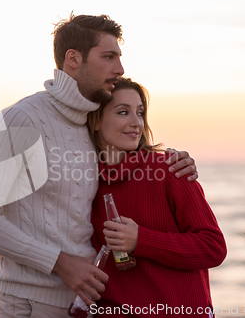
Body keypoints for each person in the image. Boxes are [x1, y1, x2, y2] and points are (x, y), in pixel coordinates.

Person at [0, 14, 198, 318]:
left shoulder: (90, 123)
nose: (120, 69)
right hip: (27, 303)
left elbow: (130, 159)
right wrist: (60, 263)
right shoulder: (19, 120)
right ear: (73, 59)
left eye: (119, 58)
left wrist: (175, 160)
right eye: (108, 57)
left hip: (82, 304)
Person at [86, 77, 227, 317]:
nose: (136, 123)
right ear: (96, 120)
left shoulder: (170, 169)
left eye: (140, 113)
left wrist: (141, 240)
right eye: (123, 112)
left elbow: (213, 247)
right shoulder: (84, 184)